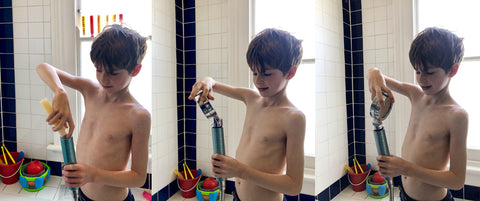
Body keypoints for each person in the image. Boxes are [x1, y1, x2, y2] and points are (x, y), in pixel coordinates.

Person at [188, 28, 305, 201]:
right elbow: (213, 83)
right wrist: (206, 82)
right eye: (255, 72)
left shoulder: (293, 118)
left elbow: (294, 186)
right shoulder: (251, 98)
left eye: (267, 73)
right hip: (238, 196)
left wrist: (240, 171)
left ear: (290, 72)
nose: (258, 80)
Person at [36, 24, 151, 201]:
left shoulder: (138, 116)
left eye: (113, 73)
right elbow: (43, 67)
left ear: (135, 70)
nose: (103, 78)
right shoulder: (90, 90)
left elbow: (138, 177)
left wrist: (93, 175)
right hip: (81, 194)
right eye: (98, 69)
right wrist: (60, 91)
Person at [367, 27, 468, 201]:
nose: (421, 79)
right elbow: (378, 76)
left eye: (429, 72)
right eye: (417, 71)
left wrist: (406, 168)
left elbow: (457, 181)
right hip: (405, 194)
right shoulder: (416, 94)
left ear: (452, 70)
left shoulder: (456, 116)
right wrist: (374, 72)